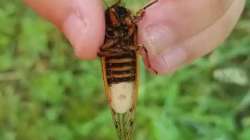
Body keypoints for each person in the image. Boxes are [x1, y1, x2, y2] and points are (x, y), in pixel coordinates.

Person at [24, 0, 246, 74]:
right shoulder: (114, 27)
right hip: (118, 62)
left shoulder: (131, 26)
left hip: (122, 61)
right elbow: (101, 49)